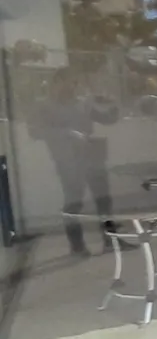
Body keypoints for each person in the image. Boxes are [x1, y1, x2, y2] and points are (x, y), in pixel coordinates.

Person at [28, 67, 120, 256]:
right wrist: (67, 133)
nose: (74, 86)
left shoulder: (82, 103)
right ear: (57, 82)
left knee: (104, 200)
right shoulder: (44, 106)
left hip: (92, 157)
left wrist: (114, 105)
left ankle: (111, 241)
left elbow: (107, 119)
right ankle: (77, 246)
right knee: (74, 204)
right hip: (68, 161)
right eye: (70, 82)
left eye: (75, 82)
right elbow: (35, 131)